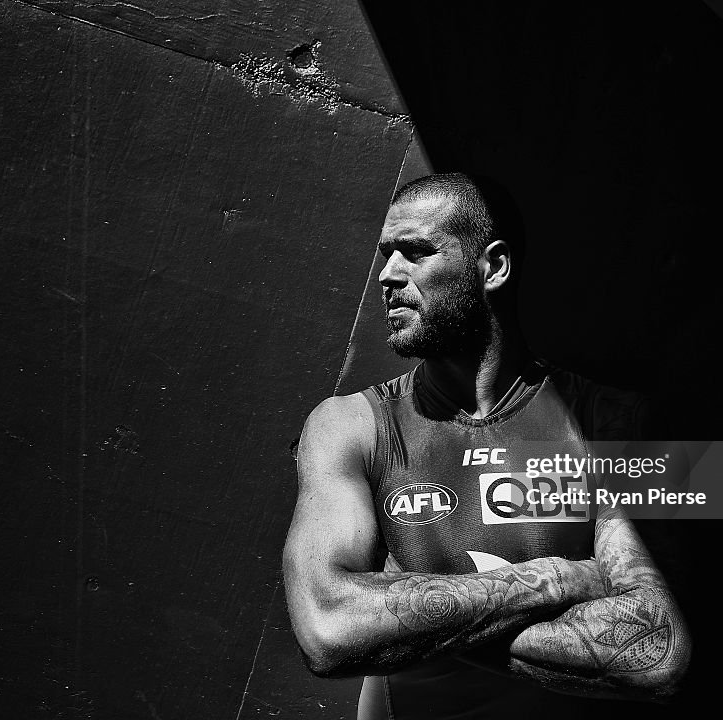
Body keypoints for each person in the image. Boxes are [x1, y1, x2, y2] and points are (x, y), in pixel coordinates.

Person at [283, 173, 691, 719]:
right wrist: (555, 581)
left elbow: (656, 654)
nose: (387, 274)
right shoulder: (352, 427)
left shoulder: (608, 424)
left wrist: (393, 608)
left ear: (493, 268)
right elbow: (329, 629)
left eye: (415, 252)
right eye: (385, 254)